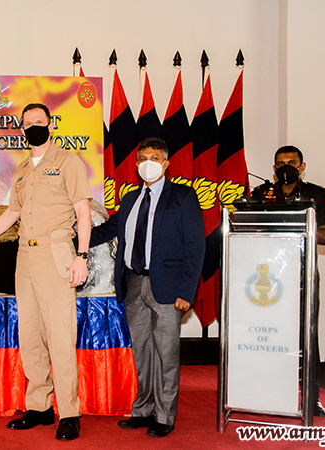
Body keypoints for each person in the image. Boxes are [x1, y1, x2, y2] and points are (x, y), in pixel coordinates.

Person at [0, 103, 92, 441]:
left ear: (51, 125)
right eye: (28, 123)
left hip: (57, 252)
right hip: (25, 255)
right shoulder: (21, 171)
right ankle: (40, 407)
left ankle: (69, 412)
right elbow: (11, 214)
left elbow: (82, 212)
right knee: (30, 337)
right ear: (21, 129)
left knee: (60, 337)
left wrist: (82, 256)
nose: (33, 126)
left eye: (39, 122)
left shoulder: (67, 161)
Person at [90, 137, 205, 438]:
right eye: (142, 158)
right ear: (137, 164)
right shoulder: (130, 199)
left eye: (154, 157)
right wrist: (71, 235)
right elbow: (108, 230)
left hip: (168, 288)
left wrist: (187, 291)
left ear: (166, 163)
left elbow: (196, 245)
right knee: (142, 353)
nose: (147, 162)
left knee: (167, 353)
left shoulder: (183, 196)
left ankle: (165, 416)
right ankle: (143, 409)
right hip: (133, 284)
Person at [251, 145, 325, 416]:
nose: (286, 166)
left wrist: (288, 226)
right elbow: (247, 227)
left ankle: (311, 396)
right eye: (281, 163)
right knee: (268, 334)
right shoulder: (261, 194)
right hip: (267, 277)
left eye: (292, 162)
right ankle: (268, 392)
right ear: (274, 169)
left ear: (301, 166)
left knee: (307, 335)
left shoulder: (316, 194)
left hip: (302, 273)